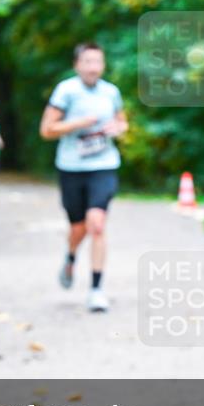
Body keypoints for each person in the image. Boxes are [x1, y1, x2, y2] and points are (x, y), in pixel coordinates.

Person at [39, 41, 128, 312]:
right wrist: (78, 123)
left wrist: (118, 128)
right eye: (87, 62)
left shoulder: (110, 92)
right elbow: (46, 130)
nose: (93, 68)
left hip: (104, 165)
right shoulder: (66, 91)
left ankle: (96, 289)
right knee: (78, 228)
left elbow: (122, 122)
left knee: (97, 224)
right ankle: (70, 256)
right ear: (77, 65)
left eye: (97, 62)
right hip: (71, 168)